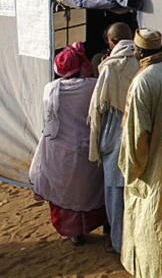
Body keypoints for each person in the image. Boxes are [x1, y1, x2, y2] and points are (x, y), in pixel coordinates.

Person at [119, 28, 162, 278]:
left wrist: (132, 170)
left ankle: (153, 270)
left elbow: (137, 133)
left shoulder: (143, 80)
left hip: (152, 165)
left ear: (139, 51)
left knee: (151, 221)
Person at [29, 42, 105, 246]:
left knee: (65, 192)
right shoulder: (92, 86)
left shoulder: (51, 89)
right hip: (86, 149)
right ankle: (95, 226)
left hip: (60, 151)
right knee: (89, 189)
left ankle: (73, 232)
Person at [87, 22, 138, 253]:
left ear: (112, 42)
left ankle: (118, 244)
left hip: (114, 135)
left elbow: (99, 110)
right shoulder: (144, 61)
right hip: (139, 136)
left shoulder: (109, 68)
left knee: (115, 195)